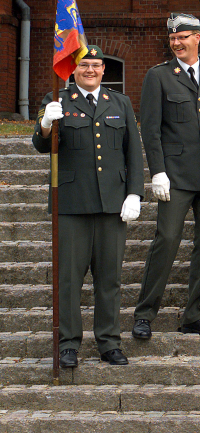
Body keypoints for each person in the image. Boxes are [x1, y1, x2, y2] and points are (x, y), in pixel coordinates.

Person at [32, 46, 144, 368]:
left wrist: (134, 193)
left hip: (112, 205)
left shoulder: (120, 103)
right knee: (69, 280)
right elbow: (41, 145)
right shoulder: (57, 100)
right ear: (73, 68)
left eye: (96, 65)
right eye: (84, 65)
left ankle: (109, 342)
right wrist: (46, 124)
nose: (90, 70)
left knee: (109, 279)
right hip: (71, 204)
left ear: (104, 69)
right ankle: (68, 344)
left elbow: (133, 152)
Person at [132, 14, 200, 340]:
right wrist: (158, 171)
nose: (177, 43)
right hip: (176, 175)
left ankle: (195, 314)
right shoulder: (159, 76)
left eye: (183, 37)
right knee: (166, 241)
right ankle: (144, 314)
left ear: (197, 38)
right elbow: (151, 130)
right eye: (173, 38)